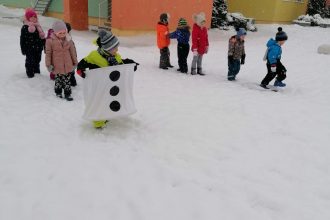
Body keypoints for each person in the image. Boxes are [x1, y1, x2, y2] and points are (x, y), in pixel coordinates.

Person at [76, 30, 139, 129]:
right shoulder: (94, 56)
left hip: (112, 86)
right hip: (100, 87)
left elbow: (121, 64)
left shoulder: (116, 57)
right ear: (107, 49)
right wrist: (80, 69)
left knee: (111, 100)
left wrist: (131, 65)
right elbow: (83, 63)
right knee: (100, 102)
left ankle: (109, 114)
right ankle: (98, 121)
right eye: (115, 48)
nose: (117, 50)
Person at [45, 20, 78, 101]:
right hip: (57, 66)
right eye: (60, 33)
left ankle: (68, 94)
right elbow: (48, 54)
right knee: (58, 81)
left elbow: (72, 51)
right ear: (55, 32)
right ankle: (58, 92)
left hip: (67, 65)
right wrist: (48, 65)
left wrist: (75, 62)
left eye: (64, 32)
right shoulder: (50, 41)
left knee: (67, 81)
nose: (62, 35)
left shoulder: (68, 39)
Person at [20, 8, 45, 78]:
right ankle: (30, 73)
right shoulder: (25, 27)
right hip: (29, 48)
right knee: (30, 61)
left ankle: (37, 72)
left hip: (38, 48)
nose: (34, 18)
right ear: (28, 18)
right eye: (32, 17)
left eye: (35, 17)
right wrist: (23, 48)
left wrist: (44, 44)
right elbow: (22, 39)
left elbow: (42, 37)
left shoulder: (38, 26)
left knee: (37, 60)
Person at [65, 22, 77, 87]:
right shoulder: (64, 37)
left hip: (70, 59)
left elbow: (73, 50)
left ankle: (72, 82)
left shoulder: (69, 38)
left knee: (71, 72)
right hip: (65, 59)